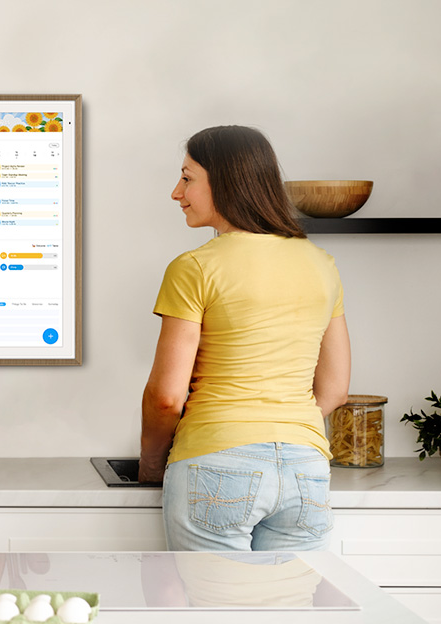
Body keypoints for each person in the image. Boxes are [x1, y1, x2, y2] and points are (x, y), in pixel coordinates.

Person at [139, 125, 351, 551]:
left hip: (215, 461)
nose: (176, 192)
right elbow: (334, 392)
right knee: (290, 610)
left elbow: (166, 397)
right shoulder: (321, 263)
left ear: (225, 180)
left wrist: (149, 466)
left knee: (215, 611)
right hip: (305, 468)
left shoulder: (194, 267)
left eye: (187, 177)